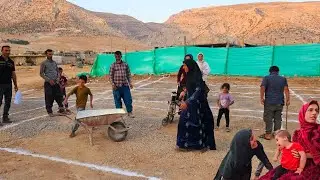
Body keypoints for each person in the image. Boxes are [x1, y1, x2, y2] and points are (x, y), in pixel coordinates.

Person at [257, 100, 320, 180]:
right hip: (295, 164)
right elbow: (290, 148)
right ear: (303, 113)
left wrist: (305, 155)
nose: (314, 113)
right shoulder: (297, 133)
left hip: (314, 167)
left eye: (316, 110)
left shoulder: (318, 130)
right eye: (310, 110)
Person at [176, 54, 216, 151]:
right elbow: (190, 88)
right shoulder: (189, 76)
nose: (183, 67)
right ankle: (185, 145)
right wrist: (184, 91)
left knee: (196, 123)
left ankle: (197, 145)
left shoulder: (197, 78)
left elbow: (198, 91)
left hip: (197, 105)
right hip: (190, 103)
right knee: (183, 122)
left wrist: (187, 102)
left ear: (189, 66)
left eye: (185, 66)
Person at [259, 66, 290, 140]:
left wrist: (261, 98)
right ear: (278, 71)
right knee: (278, 118)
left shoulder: (266, 78)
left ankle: (268, 134)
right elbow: (286, 89)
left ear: (270, 71)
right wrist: (288, 100)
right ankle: (277, 134)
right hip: (280, 102)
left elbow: (262, 87)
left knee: (268, 118)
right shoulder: (283, 78)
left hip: (269, 102)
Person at [109, 51, 134, 118]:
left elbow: (128, 74)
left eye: (119, 55)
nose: (117, 57)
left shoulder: (125, 64)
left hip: (125, 86)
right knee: (117, 101)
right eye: (116, 56)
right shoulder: (112, 65)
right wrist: (113, 84)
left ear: (121, 56)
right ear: (115, 56)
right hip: (116, 87)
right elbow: (110, 76)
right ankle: (119, 115)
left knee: (128, 100)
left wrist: (130, 83)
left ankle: (130, 112)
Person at [40, 49, 65, 117]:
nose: (50, 55)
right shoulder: (44, 63)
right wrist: (48, 80)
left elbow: (57, 72)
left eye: (51, 54)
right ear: (46, 54)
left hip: (55, 82)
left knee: (59, 95)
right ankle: (49, 111)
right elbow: (41, 73)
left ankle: (61, 109)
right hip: (48, 83)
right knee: (49, 96)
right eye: (49, 54)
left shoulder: (54, 63)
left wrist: (57, 79)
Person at [0, 46, 18, 125]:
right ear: (2, 51)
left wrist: (15, 85)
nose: (8, 52)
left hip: (8, 84)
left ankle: (5, 117)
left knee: (8, 102)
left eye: (9, 50)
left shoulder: (11, 62)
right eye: (6, 50)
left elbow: (13, 74)